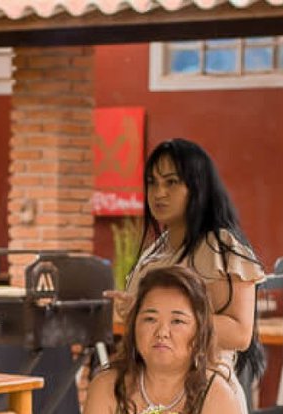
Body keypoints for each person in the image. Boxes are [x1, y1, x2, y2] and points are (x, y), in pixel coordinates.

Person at [106, 138, 266, 391]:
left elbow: (239, 333)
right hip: (151, 390)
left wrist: (159, 314)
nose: (159, 193)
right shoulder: (156, 249)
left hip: (204, 391)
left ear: (198, 187)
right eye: (152, 183)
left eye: (171, 182)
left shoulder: (219, 246)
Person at [78, 265, 248, 414]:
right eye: (150, 319)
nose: (162, 332)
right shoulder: (107, 386)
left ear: (200, 331)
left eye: (177, 321)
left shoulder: (218, 396)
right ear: (133, 326)